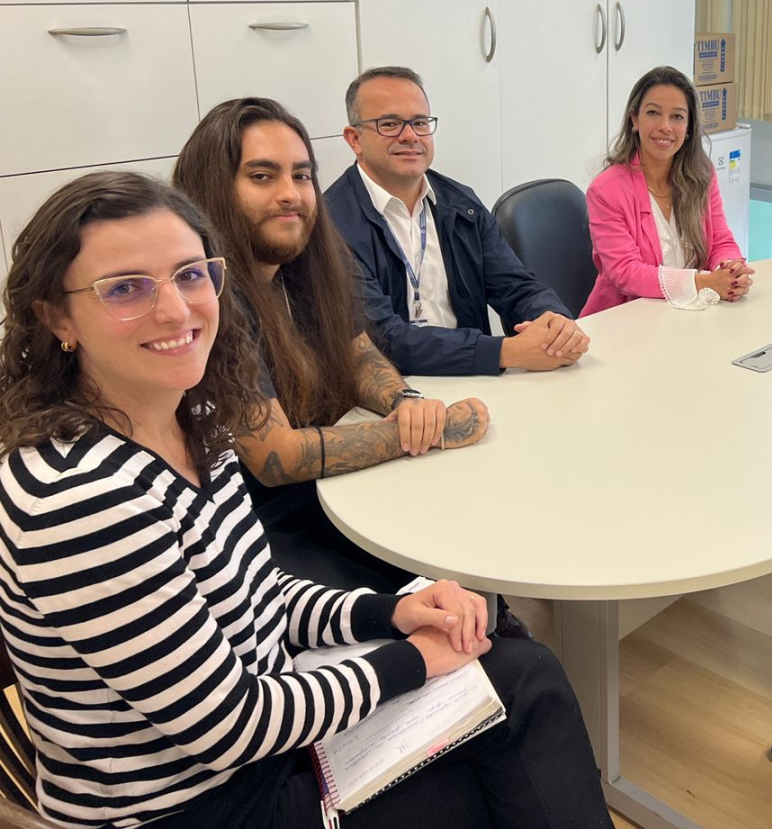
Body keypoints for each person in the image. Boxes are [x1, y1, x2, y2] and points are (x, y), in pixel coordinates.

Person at [0, 171, 611, 829]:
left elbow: (260, 598)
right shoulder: (76, 497)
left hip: (262, 751)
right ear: (56, 317)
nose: (175, 310)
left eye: (190, 275)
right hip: (201, 805)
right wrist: (409, 660)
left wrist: (392, 614)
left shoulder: (193, 419)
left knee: (519, 676)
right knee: (513, 728)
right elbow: (230, 725)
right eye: (126, 288)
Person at [171, 99, 500, 605]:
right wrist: (425, 432)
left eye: (301, 176)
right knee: (452, 580)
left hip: (335, 493)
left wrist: (405, 402)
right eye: (262, 177)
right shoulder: (210, 298)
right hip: (264, 530)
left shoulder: (307, 259)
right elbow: (277, 457)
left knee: (472, 535)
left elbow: (358, 353)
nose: (290, 194)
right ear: (213, 189)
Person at [326, 66, 589, 375]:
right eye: (390, 124)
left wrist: (556, 323)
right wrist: (504, 352)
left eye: (419, 123)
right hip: (388, 389)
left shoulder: (461, 204)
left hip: (472, 376)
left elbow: (517, 286)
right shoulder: (331, 223)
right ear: (354, 139)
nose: (410, 136)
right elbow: (380, 338)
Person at [582, 65, 753, 315]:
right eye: (653, 113)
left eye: (677, 117)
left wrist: (729, 270)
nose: (665, 126)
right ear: (635, 119)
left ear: (689, 126)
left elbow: (720, 239)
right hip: (624, 319)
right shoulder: (606, 190)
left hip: (688, 314)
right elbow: (626, 272)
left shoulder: (702, 175)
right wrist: (703, 283)